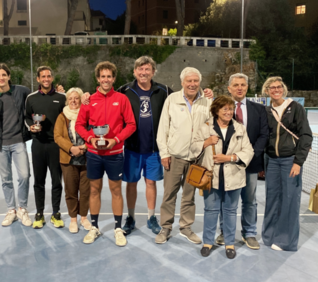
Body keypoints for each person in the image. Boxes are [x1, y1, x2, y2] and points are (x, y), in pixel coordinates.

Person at [116, 56, 215, 236]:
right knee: (131, 184)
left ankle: (151, 217)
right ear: (134, 72)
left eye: (147, 69)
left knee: (151, 183)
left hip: (154, 149)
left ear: (153, 72)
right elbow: (107, 98)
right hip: (131, 147)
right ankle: (130, 217)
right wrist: (86, 96)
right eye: (140, 69)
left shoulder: (164, 90)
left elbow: (187, 94)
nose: (144, 72)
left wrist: (206, 93)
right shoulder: (124, 90)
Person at [76, 61, 136, 246]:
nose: (106, 79)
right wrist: (90, 139)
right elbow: (79, 125)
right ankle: (94, 227)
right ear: (98, 78)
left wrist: (115, 140)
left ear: (114, 78)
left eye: (109, 76)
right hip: (94, 153)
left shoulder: (122, 99)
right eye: (103, 76)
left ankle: (118, 228)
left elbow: (131, 125)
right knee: (94, 190)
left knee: (116, 190)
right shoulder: (89, 100)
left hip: (115, 153)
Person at [191, 95, 254, 259]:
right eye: (225, 109)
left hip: (234, 177)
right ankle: (207, 242)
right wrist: (206, 142)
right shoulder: (205, 128)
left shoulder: (240, 128)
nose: (228, 112)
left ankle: (230, 244)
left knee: (230, 211)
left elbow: (248, 151)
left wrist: (230, 158)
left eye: (231, 109)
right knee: (210, 210)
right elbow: (192, 148)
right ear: (216, 110)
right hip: (211, 177)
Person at [155, 67, 212, 245]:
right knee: (169, 194)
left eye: (195, 81)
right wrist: (164, 153)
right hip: (174, 156)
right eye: (189, 81)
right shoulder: (172, 100)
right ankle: (165, 227)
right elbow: (163, 128)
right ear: (182, 83)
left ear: (199, 83)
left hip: (196, 158)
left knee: (190, 195)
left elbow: (212, 127)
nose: (192, 84)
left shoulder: (207, 102)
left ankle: (186, 227)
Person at [216, 73, 268, 250]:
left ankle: (250, 233)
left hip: (250, 163)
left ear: (247, 87)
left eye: (243, 85)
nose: (240, 88)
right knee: (227, 200)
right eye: (236, 85)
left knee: (250, 200)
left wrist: (249, 155)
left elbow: (263, 135)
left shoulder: (259, 110)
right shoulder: (221, 108)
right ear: (229, 88)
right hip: (227, 163)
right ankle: (225, 231)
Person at [261, 76, 312, 252]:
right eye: (272, 88)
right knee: (272, 199)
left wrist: (298, 161)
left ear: (283, 89)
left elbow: (306, 135)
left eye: (279, 87)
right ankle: (269, 236)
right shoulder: (266, 111)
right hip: (271, 161)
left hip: (290, 160)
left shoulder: (295, 108)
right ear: (266, 91)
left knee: (290, 200)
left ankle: (286, 242)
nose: (276, 90)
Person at [0, 63, 33, 227]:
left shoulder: (22, 91)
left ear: (9, 76)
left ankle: (22, 208)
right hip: (1, 144)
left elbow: (36, 101)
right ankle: (11, 210)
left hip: (18, 142)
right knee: (6, 179)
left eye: (4, 74)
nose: (1, 78)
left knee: (24, 176)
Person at [25, 66, 67, 229]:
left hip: (56, 146)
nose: (46, 79)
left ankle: (56, 213)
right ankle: (39, 213)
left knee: (57, 181)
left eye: (49, 76)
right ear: (38, 79)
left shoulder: (61, 97)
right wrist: (31, 127)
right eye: (43, 76)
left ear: (52, 78)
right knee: (38, 181)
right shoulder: (31, 98)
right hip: (38, 145)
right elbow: (27, 117)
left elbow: (69, 114)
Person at [54, 87, 92, 233]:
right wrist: (71, 148)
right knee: (70, 191)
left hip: (86, 158)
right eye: (70, 98)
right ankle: (73, 219)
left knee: (85, 191)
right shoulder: (62, 116)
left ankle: (83, 217)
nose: (73, 101)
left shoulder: (87, 114)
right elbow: (57, 136)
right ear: (67, 100)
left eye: (76, 98)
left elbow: (93, 131)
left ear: (81, 99)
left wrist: (85, 147)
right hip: (68, 159)